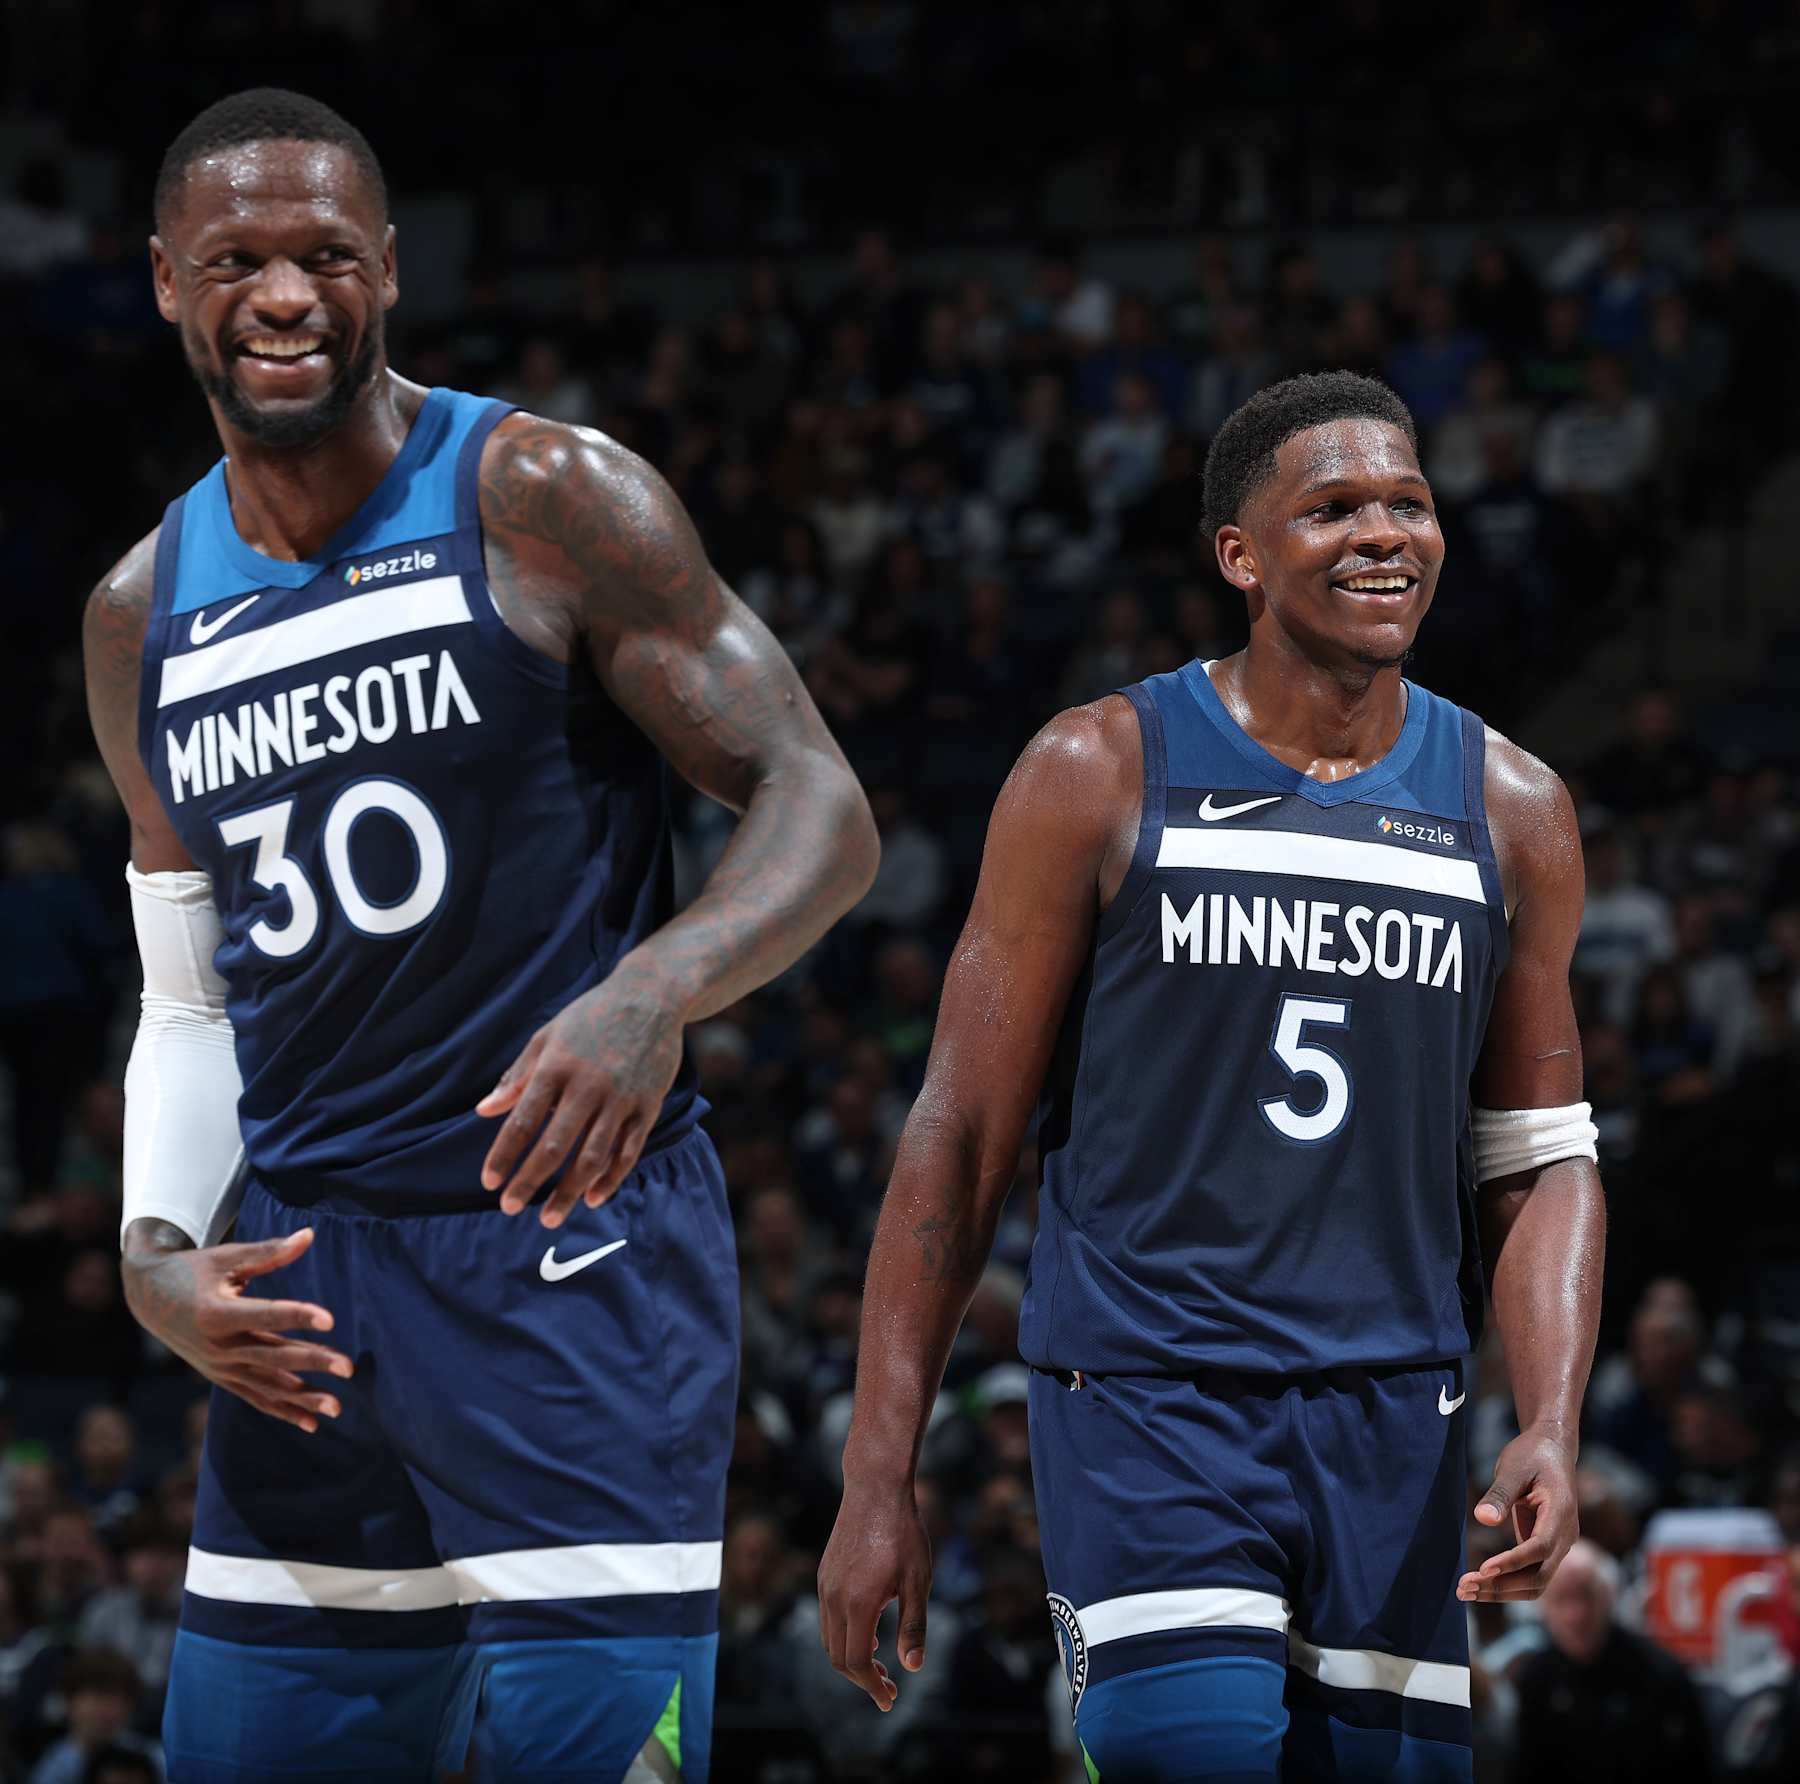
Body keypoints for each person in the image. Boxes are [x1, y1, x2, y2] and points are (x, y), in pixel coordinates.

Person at [81, 88, 876, 1782]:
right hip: (303, 1285)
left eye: (324, 256)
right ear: (166, 282)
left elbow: (819, 799)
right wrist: (155, 1241)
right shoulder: (142, 611)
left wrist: (656, 985)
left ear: (388, 270)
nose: (284, 294)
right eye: (238, 259)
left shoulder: (539, 494)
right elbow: (190, 992)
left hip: (564, 1259)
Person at [819, 372, 1605, 1781]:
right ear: (1239, 556)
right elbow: (961, 1134)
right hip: (1149, 1399)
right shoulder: (1097, 769)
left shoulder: (1514, 808)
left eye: (1409, 504)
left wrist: (1549, 1419)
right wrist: (882, 1467)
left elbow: (1543, 1151)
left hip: (1396, 1418)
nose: (1386, 534)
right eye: (1335, 508)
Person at [1513, 1540, 1715, 1780]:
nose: (1576, 1615)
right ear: (1544, 1607)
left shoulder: (1660, 1672)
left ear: (1610, 1596)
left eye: (1586, 1596)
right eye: (1561, 1599)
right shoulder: (1535, 1678)